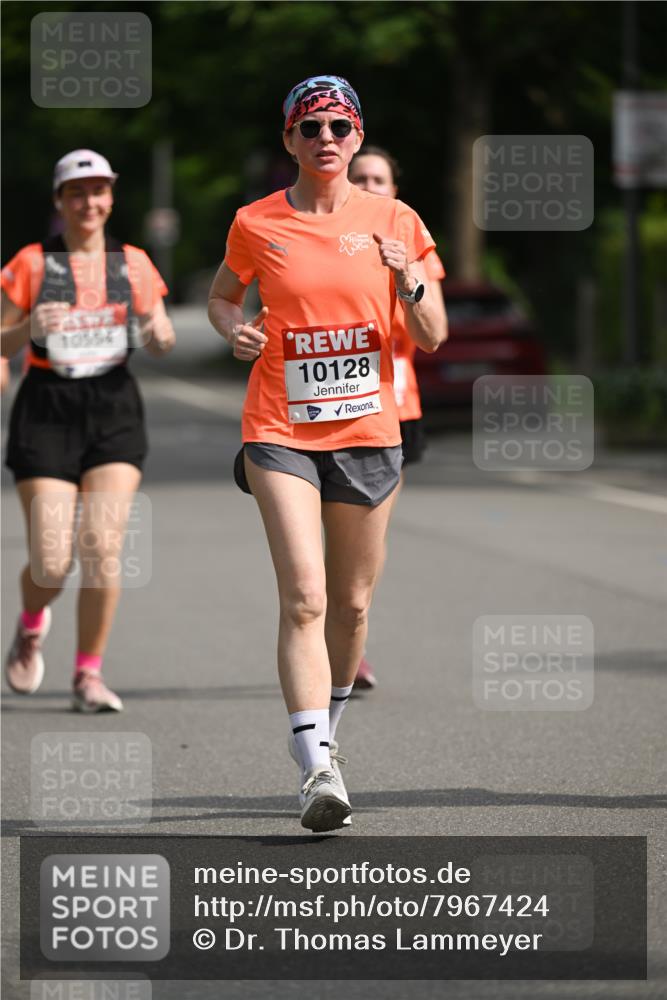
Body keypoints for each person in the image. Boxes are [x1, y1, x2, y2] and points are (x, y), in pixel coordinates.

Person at [208, 76, 447, 832]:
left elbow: (433, 334)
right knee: (305, 596)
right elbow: (223, 295)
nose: (325, 139)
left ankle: (328, 736)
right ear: (288, 139)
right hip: (279, 427)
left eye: (339, 127)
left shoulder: (394, 218)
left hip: (368, 432)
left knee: (348, 606)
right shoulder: (255, 221)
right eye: (309, 127)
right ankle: (314, 766)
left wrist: (406, 279)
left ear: (356, 136)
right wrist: (232, 329)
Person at [2, 149, 175, 711]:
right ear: (59, 200)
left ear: (111, 197)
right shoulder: (32, 262)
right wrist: (28, 326)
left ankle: (88, 674)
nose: (89, 202)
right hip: (47, 407)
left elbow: (163, 336)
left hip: (112, 405)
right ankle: (32, 623)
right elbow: (0, 341)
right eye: (77, 192)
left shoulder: (134, 263)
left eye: (99, 191)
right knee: (52, 561)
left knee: (103, 547)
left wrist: (155, 329)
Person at [349, 146, 447, 690]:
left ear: (394, 185)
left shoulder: (410, 238)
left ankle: (352, 633)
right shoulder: (326, 232)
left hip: (393, 404)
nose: (369, 184)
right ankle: (327, 616)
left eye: (379, 177)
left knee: (369, 532)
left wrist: (404, 277)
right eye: (360, 176)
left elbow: (437, 332)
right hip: (323, 403)